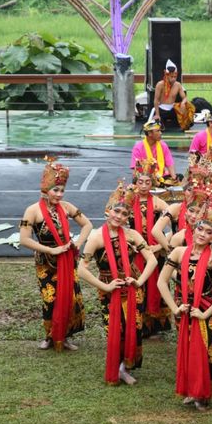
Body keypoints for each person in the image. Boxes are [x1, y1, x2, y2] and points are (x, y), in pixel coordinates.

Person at [78, 181, 158, 385]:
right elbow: (81, 269)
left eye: (124, 214)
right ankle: (118, 366)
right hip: (110, 290)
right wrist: (105, 287)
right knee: (115, 330)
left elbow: (152, 260)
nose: (120, 217)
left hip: (132, 289)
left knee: (134, 328)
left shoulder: (133, 235)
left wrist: (139, 281)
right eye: (117, 211)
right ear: (108, 211)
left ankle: (124, 367)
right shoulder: (96, 238)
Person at [156, 202, 212, 409]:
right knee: (186, 348)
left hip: (207, 310)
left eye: (208, 232)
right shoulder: (178, 252)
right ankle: (190, 389)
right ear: (193, 229)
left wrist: (205, 314)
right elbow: (162, 281)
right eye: (200, 229)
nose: (203, 234)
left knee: (205, 353)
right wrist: (175, 307)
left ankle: (202, 392)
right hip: (185, 308)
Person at [19, 158, 91, 351]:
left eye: (62, 190)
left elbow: (88, 224)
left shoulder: (67, 207)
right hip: (46, 261)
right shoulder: (32, 211)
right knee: (50, 299)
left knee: (69, 297)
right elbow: (24, 239)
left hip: (67, 259)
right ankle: (50, 336)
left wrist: (76, 244)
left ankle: (65, 336)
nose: (59, 194)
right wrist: (51, 250)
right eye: (55, 190)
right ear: (45, 189)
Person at [128, 160, 171, 338]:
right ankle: (138, 324)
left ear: (152, 183)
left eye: (148, 182)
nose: (144, 186)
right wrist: (131, 244)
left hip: (155, 251)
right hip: (134, 251)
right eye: (141, 182)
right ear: (135, 182)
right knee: (138, 285)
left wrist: (160, 245)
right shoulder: (128, 201)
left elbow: (172, 230)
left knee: (155, 285)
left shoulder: (161, 204)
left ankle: (154, 326)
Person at [131, 119, 177, 184]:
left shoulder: (163, 145)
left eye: (160, 131)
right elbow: (136, 170)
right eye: (158, 131)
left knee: (179, 177)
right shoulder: (138, 147)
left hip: (161, 177)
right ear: (149, 133)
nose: (161, 133)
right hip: (145, 179)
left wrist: (174, 179)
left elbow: (170, 164)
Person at [152, 59, 193, 130]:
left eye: (175, 77)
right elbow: (156, 100)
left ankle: (183, 124)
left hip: (173, 109)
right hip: (162, 109)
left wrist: (183, 103)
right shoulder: (160, 85)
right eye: (171, 77)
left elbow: (184, 97)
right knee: (158, 128)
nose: (173, 79)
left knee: (188, 105)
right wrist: (157, 114)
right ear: (167, 75)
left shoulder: (178, 85)